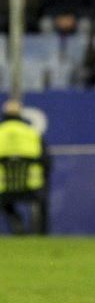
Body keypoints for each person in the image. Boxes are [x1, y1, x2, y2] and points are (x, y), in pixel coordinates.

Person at [0, 99, 49, 235]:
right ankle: (42, 234)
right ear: (21, 114)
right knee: (43, 196)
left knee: (5, 200)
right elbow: (47, 163)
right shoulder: (32, 134)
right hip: (31, 187)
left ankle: (15, 220)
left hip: (3, 188)